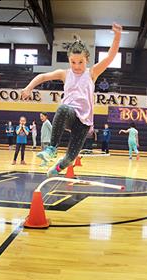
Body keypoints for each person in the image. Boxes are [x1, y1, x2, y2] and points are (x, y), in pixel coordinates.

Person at [21, 22, 122, 177]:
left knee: (70, 158)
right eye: (73, 62)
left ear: (86, 60)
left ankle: (58, 167)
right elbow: (43, 76)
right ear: (69, 60)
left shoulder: (92, 73)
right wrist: (29, 87)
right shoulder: (65, 74)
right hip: (69, 116)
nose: (76, 66)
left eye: (80, 62)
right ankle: (52, 149)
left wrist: (117, 35)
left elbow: (110, 56)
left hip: (83, 123)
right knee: (63, 108)